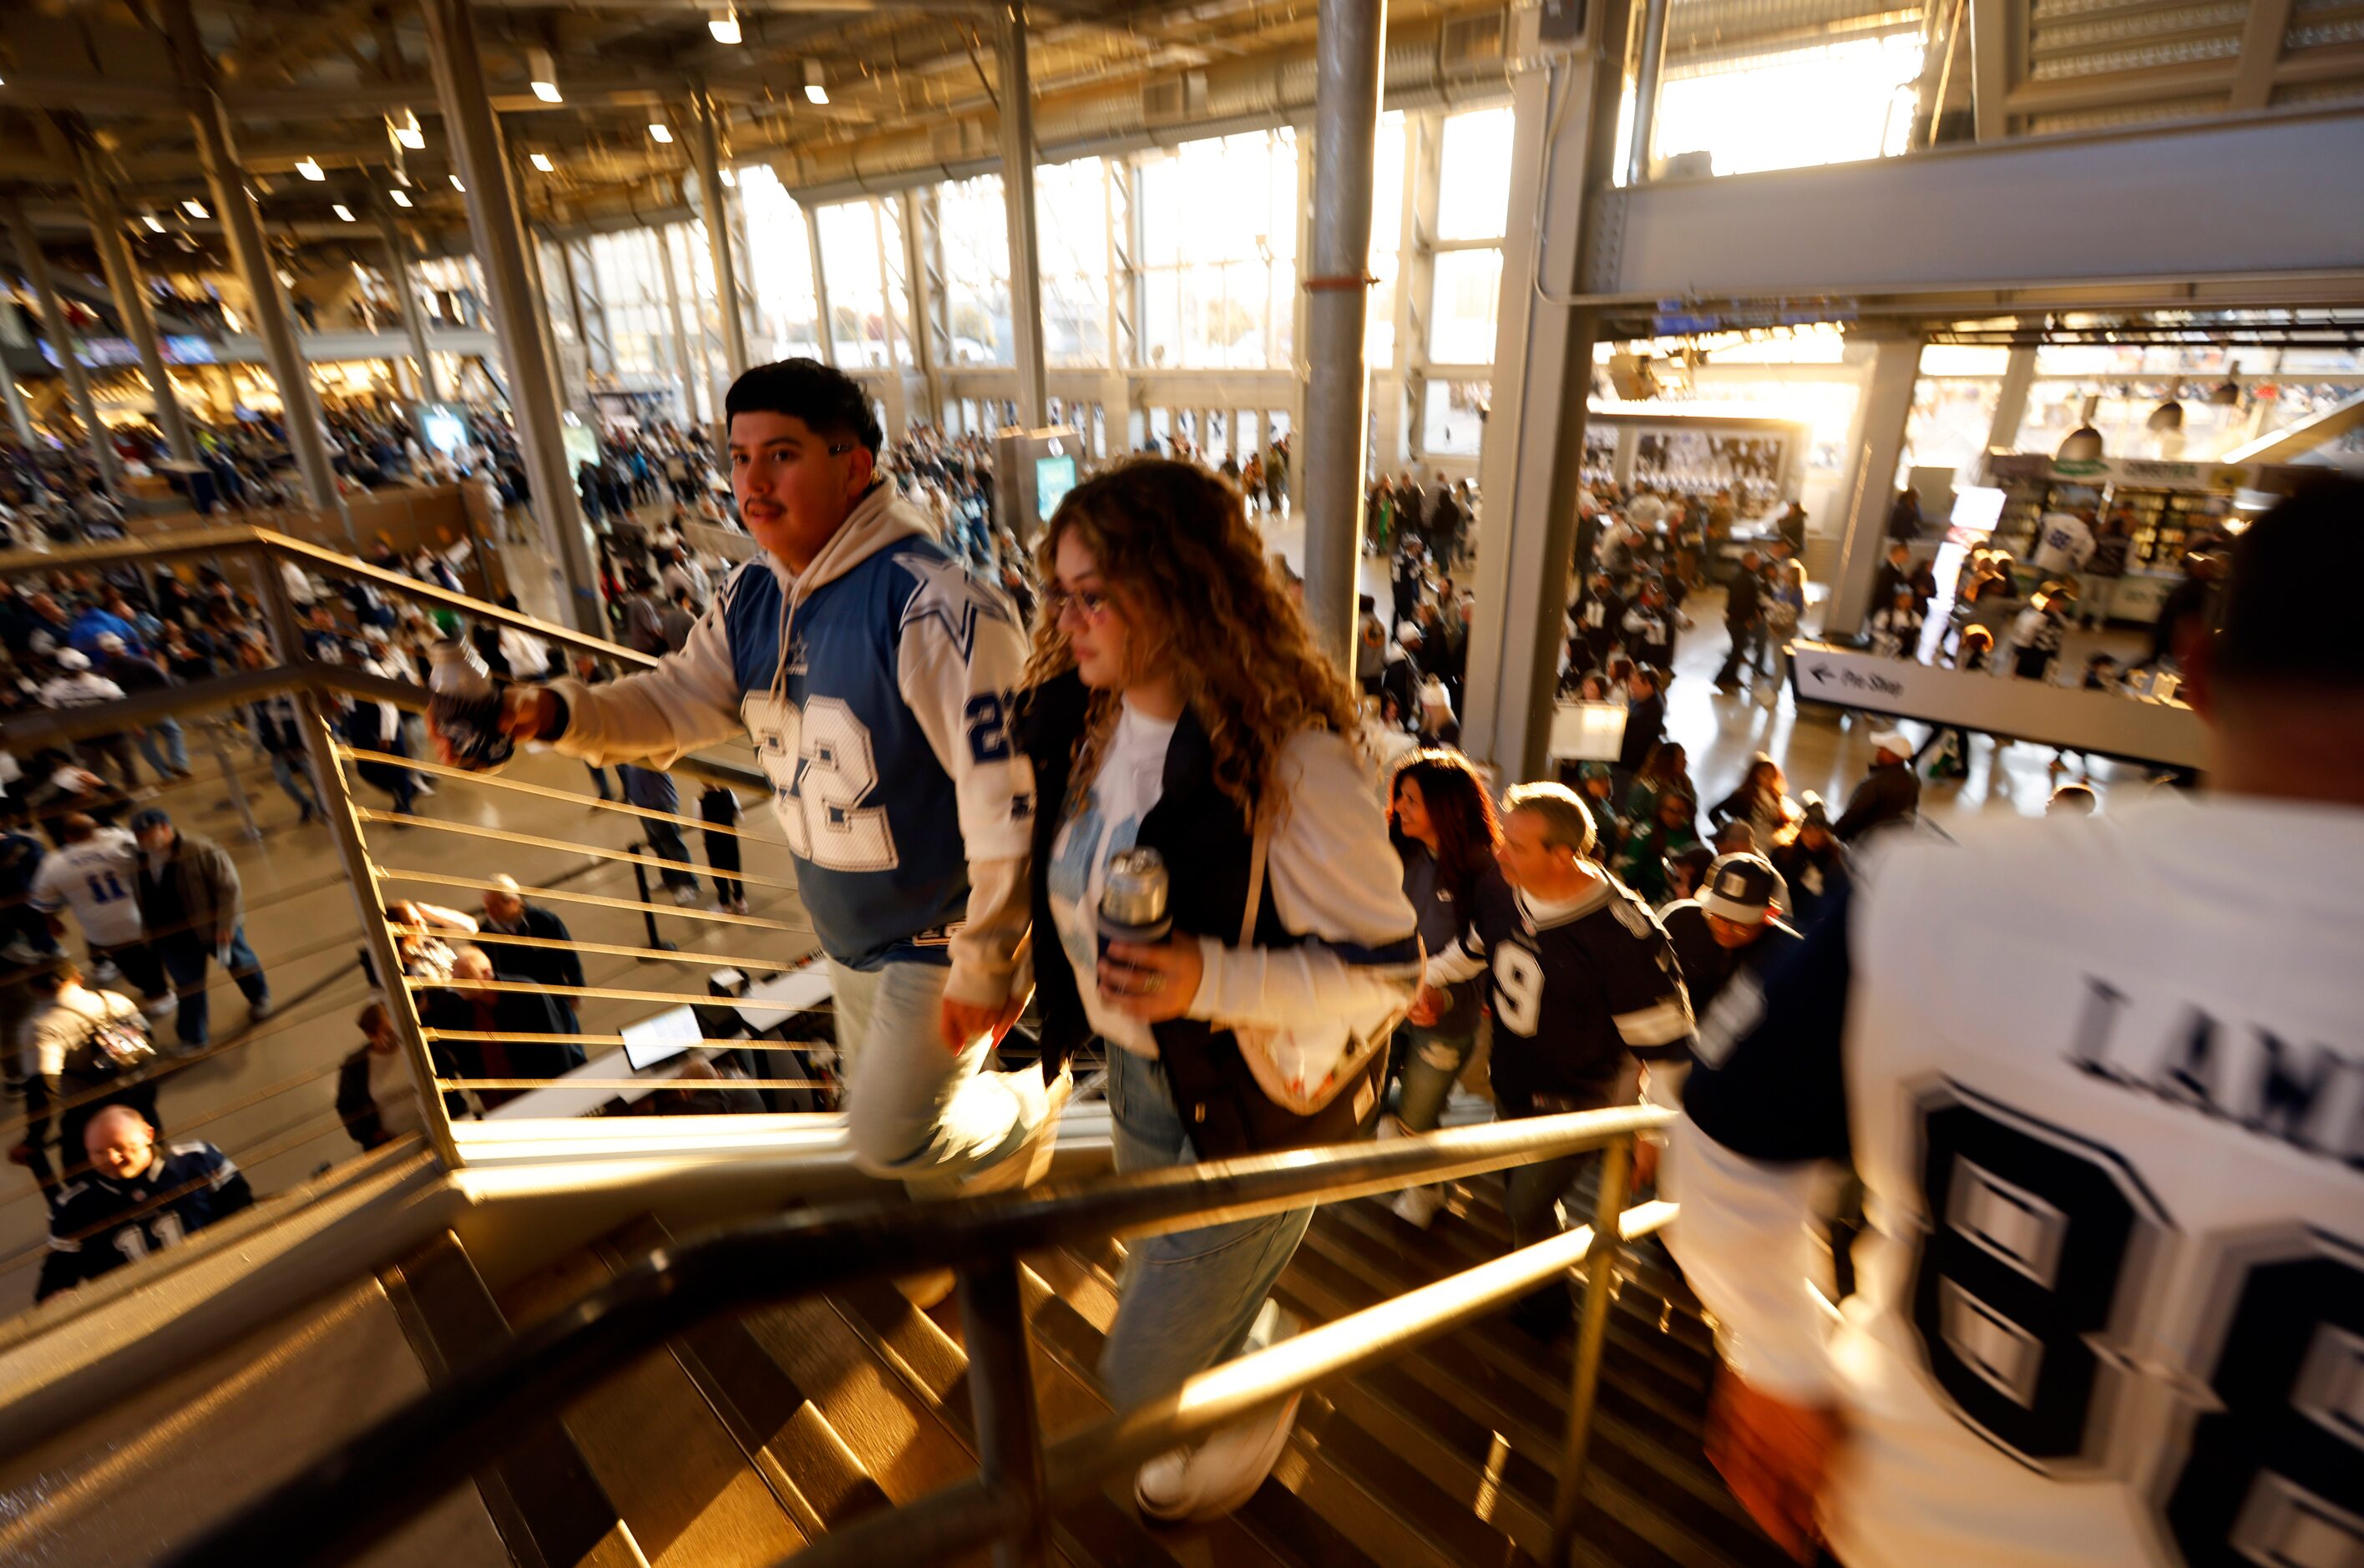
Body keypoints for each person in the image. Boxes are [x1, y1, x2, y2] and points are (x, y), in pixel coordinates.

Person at [1663, 477, 2364, 1568]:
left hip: (1906, 1524)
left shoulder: (1933, 892)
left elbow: (1716, 1141)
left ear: (2194, 665)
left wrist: (1777, 1357)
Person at [448, 360, 1052, 1200]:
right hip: (845, 933)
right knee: (901, 1147)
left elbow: (1009, 802)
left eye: (781, 455)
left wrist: (992, 959)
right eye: (737, 458)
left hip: (937, 938)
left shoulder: (939, 606)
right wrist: (550, 712)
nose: (751, 482)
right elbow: (673, 702)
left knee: (890, 1136)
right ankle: (963, 1257)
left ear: (854, 466)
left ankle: (1028, 1106)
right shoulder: (752, 595)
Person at [1012, 458, 1420, 1522]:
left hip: (1248, 1108)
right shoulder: (1086, 722)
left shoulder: (1295, 761)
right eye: (1060, 591)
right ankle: (1246, 1334)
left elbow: (1389, 974)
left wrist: (1206, 977)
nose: (1070, 617)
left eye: (1094, 593)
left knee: (1140, 1371)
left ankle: (1264, 1379)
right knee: (1174, 1290)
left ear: (1182, 587)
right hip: (1141, 1087)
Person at [1414, 784, 1693, 1337]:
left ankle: (1545, 1308)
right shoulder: (1504, 883)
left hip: (1581, 1104)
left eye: (1515, 845)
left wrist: (1652, 1135)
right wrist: (1432, 983)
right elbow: (1476, 948)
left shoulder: (1622, 937)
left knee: (1525, 1205)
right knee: (1519, 1192)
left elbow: (1668, 1051)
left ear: (1562, 855)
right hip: (1514, 1079)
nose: (1498, 854)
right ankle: (1540, 1270)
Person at [1383, 751, 1513, 1228]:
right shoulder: (1399, 853)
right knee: (1369, 1101)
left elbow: (1477, 955)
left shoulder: (1484, 871)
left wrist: (1438, 993)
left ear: (1448, 807)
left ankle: (1428, 1190)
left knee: (1419, 1115)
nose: (1398, 807)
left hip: (1446, 1019)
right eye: (1399, 796)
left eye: (1412, 800)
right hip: (1387, 1004)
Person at [34, 1106, 251, 1302]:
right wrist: (56, 1299)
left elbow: (243, 1211)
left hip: (219, 1280)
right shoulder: (73, 1206)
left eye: (120, 1147)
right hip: (139, 1308)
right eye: (98, 1152)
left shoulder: (197, 1159)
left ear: (148, 1134)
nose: (112, 1159)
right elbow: (57, 1276)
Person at [9, 958, 159, 1186]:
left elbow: (43, 1088)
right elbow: (148, 1038)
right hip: (139, 1099)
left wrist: (34, 1140)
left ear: (35, 989)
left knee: (84, 1181)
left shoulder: (40, 1029)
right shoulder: (113, 999)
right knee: (148, 1160)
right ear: (77, 976)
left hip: (90, 1114)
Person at [129, 808, 269, 1049]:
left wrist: (226, 924)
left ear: (165, 827)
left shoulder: (201, 849)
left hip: (213, 928)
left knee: (240, 963)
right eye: (138, 835)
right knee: (188, 986)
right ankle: (193, 1037)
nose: (142, 840)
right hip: (171, 936)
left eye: (146, 833)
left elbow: (229, 888)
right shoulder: (139, 860)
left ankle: (259, 996)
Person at [27, 813, 170, 1016]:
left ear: (66, 836)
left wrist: (52, 921)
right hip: (139, 916)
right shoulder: (119, 842)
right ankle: (161, 993)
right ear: (95, 829)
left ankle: (154, 993)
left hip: (101, 928)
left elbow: (42, 901)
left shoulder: (54, 864)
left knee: (130, 963)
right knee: (150, 957)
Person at [477, 874, 588, 1032]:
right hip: (520, 1010)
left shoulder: (543, 920)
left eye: (495, 907)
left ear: (513, 902)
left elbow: (568, 955)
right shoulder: (485, 935)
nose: (490, 913)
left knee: (570, 1047)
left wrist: (577, 990)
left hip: (555, 1000)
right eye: (487, 908)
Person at [337, 1000, 434, 1150]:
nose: (387, 1039)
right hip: (395, 1144)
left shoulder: (416, 1046)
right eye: (379, 1035)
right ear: (369, 1035)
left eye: (390, 1031)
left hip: (435, 1129)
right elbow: (346, 1106)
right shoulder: (356, 1067)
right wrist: (370, 1135)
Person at [1768, 795, 1850, 926]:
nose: (1814, 837)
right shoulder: (1783, 855)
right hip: (1787, 917)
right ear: (1802, 830)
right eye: (1809, 831)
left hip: (1820, 922)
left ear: (1825, 834)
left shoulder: (1834, 860)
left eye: (1819, 832)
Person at [1834, 730, 1920, 843]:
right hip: (1892, 843)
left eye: (1882, 749)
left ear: (1893, 756)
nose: (1877, 752)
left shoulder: (1874, 783)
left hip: (1864, 842)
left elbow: (1854, 814)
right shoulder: (1913, 780)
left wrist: (1834, 831)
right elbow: (1910, 814)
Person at [1713, 551, 1764, 691]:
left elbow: (1751, 599)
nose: (1758, 563)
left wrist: (1756, 613)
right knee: (1736, 652)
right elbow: (1740, 602)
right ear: (1747, 561)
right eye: (1756, 561)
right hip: (1737, 621)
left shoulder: (1749, 576)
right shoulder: (1742, 578)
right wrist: (1746, 619)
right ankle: (1721, 678)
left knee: (1738, 651)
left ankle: (1732, 677)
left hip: (1740, 619)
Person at [698, 785, 748, 914]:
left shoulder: (700, 801)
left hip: (713, 842)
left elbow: (699, 825)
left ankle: (725, 903)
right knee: (735, 869)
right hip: (730, 839)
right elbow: (740, 817)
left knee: (719, 873)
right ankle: (740, 901)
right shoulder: (729, 793)